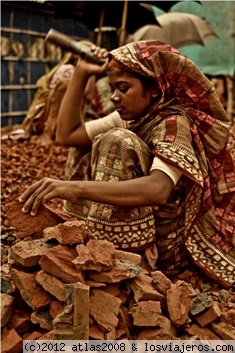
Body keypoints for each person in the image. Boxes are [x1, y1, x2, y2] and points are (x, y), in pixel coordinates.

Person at [18, 40, 235, 288]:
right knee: (88, 146)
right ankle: (92, 244)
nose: (114, 97)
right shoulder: (133, 117)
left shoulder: (174, 123)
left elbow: (158, 189)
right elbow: (67, 135)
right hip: (136, 231)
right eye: (112, 88)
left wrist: (74, 187)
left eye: (123, 88)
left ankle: (119, 260)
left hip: (165, 248)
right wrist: (81, 72)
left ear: (154, 89)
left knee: (116, 141)